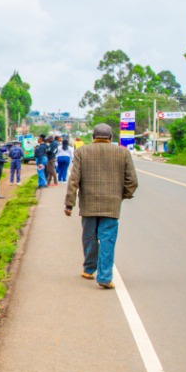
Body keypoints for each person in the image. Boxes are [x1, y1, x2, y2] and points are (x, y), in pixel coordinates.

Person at [64, 123, 137, 289]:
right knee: (107, 240)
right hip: (111, 205)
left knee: (89, 237)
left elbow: (73, 180)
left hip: (88, 204)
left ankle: (89, 269)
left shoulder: (82, 152)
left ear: (93, 137)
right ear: (111, 137)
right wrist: (122, 195)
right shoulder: (123, 152)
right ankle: (104, 277)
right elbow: (132, 181)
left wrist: (69, 204)